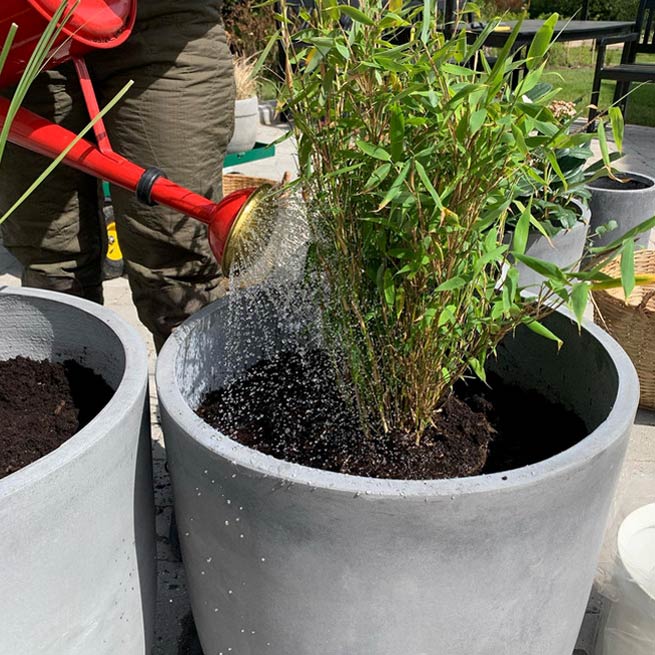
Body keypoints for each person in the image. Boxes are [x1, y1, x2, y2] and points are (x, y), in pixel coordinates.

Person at [0, 0, 235, 350]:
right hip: (24, 25)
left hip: (162, 21)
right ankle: (76, 396)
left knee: (180, 274)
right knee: (53, 269)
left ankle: (193, 399)